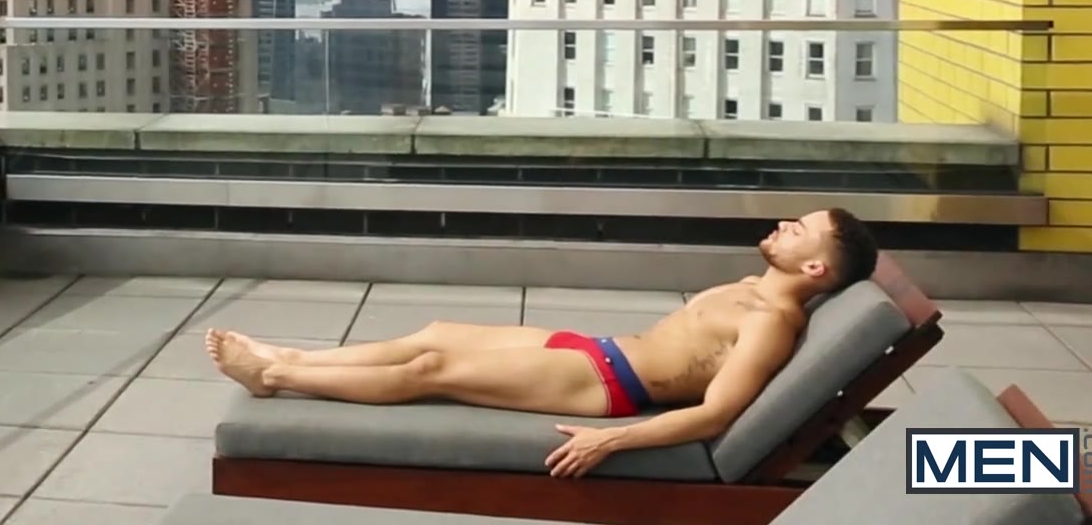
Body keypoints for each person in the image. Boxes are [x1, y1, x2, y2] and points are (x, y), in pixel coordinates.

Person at [207, 209, 879, 479]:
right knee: (437, 333)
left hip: (609, 386)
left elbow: (717, 414)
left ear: (815, 268)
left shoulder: (769, 321)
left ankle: (275, 380)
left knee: (432, 368)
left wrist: (609, 441)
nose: (785, 224)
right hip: (600, 350)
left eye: (800, 230)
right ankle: (295, 357)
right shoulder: (751, 286)